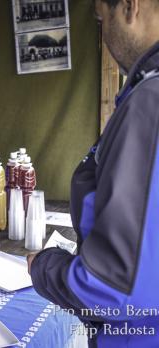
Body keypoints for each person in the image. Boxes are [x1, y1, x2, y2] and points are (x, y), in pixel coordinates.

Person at [27, 0, 159, 346]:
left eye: (102, 20)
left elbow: (116, 288)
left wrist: (44, 266)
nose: (104, 37)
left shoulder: (150, 103)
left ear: (130, 7)